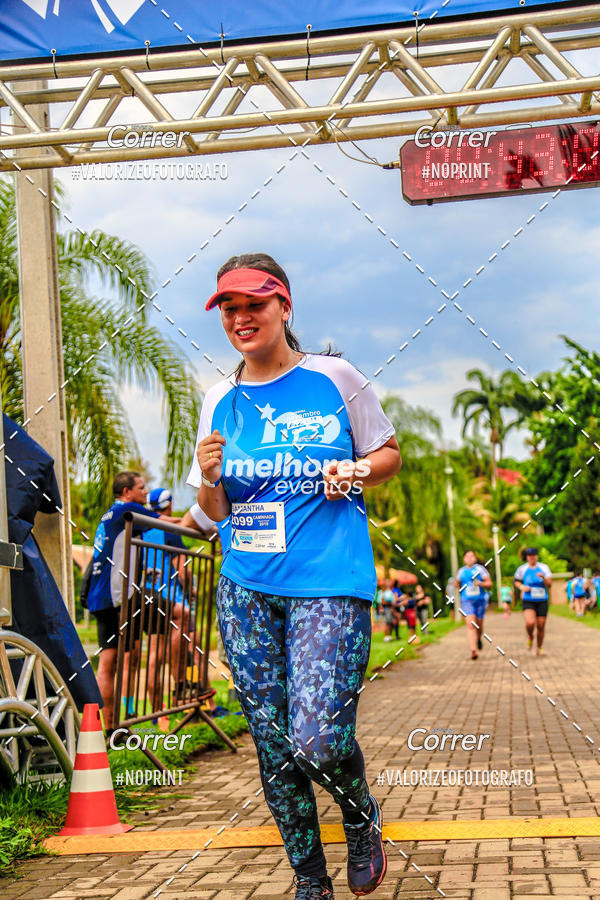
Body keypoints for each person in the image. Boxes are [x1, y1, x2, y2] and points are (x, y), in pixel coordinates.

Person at [187, 252, 401, 899]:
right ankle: (311, 880)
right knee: (276, 748)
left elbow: (388, 452)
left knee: (315, 738)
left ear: (283, 305)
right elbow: (210, 512)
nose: (242, 318)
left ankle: (360, 815)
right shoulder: (219, 400)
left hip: (329, 582)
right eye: (230, 307)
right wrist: (211, 477)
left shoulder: (334, 378)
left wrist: (356, 472)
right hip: (246, 589)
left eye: (255, 304)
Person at [87, 471, 163, 732]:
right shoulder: (127, 509)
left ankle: (109, 726)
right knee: (111, 663)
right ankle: (110, 726)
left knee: (110, 662)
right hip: (114, 596)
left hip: (101, 594)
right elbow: (168, 521)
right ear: (127, 492)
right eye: (141, 488)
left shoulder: (109, 513)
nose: (145, 493)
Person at [514, 548, 552, 656]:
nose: (531, 557)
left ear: (537, 556)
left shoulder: (544, 568)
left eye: (533, 555)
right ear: (526, 557)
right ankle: (530, 636)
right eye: (529, 555)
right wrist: (522, 587)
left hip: (542, 600)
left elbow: (549, 584)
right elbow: (516, 581)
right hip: (528, 600)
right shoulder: (522, 569)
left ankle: (539, 647)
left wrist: (543, 578)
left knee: (541, 625)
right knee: (530, 622)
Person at [455, 550, 492, 660]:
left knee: (479, 627)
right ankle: (473, 651)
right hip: (466, 601)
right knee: (471, 625)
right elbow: (457, 583)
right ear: (464, 559)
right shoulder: (461, 571)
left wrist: (481, 584)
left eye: (472, 556)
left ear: (475, 558)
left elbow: (490, 584)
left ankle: (478, 639)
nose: (470, 558)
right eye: (467, 556)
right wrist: (457, 586)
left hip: (480, 600)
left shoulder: (480, 569)